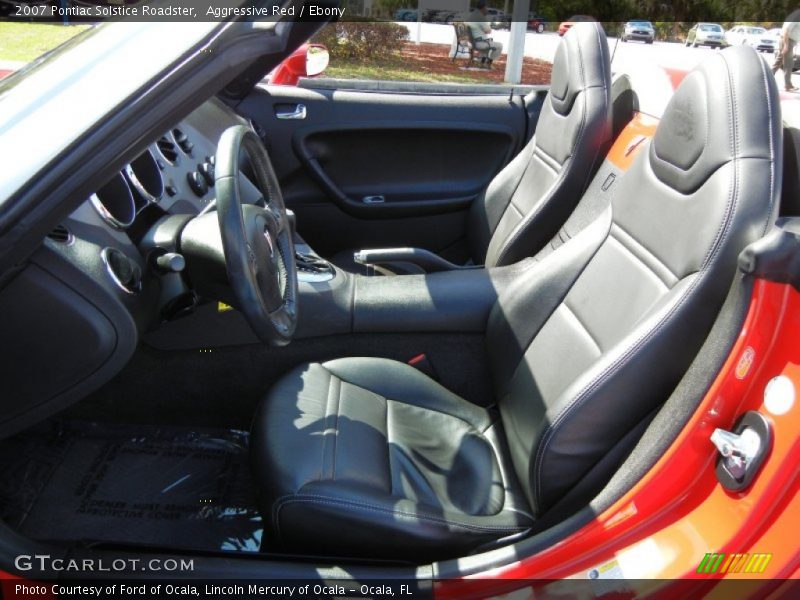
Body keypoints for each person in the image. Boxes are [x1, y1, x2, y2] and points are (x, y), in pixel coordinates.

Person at [466, 0, 503, 69]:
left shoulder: (472, 15)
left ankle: (481, 62)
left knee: (488, 43)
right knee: (499, 46)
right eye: (486, 8)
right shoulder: (480, 17)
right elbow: (488, 31)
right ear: (483, 8)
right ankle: (488, 64)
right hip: (478, 43)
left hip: (472, 42)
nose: (487, 9)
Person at [772, 9, 800, 92]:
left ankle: (765, 77)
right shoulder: (796, 16)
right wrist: (786, 45)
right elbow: (786, 30)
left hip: (791, 41)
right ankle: (788, 85)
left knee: (778, 62)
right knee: (788, 64)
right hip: (787, 41)